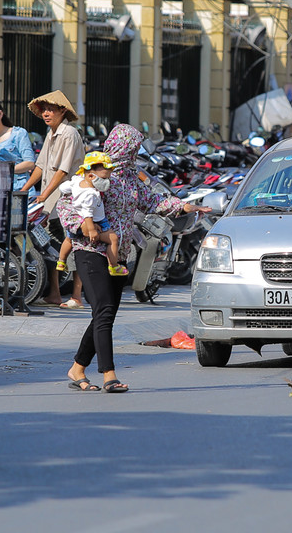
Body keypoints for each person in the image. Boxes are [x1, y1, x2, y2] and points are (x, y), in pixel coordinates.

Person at [59, 124, 211, 392]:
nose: (136, 152)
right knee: (104, 310)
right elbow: (67, 201)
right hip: (90, 249)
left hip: (119, 254)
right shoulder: (97, 169)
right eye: (133, 147)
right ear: (124, 146)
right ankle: (109, 375)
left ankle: (77, 368)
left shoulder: (131, 177)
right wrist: (81, 225)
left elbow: (153, 202)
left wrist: (185, 206)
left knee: (104, 314)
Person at [19, 90, 86, 309]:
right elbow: (40, 166)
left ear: (62, 111)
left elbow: (62, 171)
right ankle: (54, 293)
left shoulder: (68, 133)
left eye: (51, 110)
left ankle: (77, 295)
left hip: (68, 200)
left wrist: (44, 195)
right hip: (50, 202)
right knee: (47, 244)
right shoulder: (51, 132)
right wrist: (24, 189)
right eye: (44, 110)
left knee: (75, 244)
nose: (46, 114)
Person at [56, 152, 128, 276]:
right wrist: (92, 230)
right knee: (113, 239)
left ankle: (61, 261)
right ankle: (114, 266)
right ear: (90, 176)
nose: (107, 182)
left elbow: (63, 188)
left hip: (77, 221)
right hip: (95, 221)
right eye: (104, 179)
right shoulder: (91, 194)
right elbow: (87, 213)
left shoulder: (77, 181)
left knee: (69, 239)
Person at [0, 98, 37, 196]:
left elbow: (29, 163)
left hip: (20, 191)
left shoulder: (18, 134)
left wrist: (2, 170)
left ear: (0, 114)